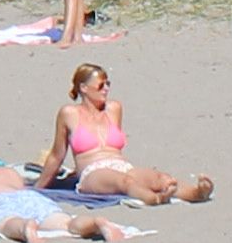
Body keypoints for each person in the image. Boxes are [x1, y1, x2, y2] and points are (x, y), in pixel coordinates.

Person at [44, 64, 210, 204]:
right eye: (101, 85)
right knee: (125, 183)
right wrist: (38, 187)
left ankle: (196, 194)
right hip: (92, 173)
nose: (106, 89)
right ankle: (154, 199)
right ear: (84, 88)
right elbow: (56, 156)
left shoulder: (113, 109)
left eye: (108, 84)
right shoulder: (69, 113)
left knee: (161, 178)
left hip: (122, 166)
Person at [0, 138, 125, 243]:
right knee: (66, 223)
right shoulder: (8, 172)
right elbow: (22, 193)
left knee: (7, 223)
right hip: (27, 197)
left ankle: (24, 227)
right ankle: (95, 224)